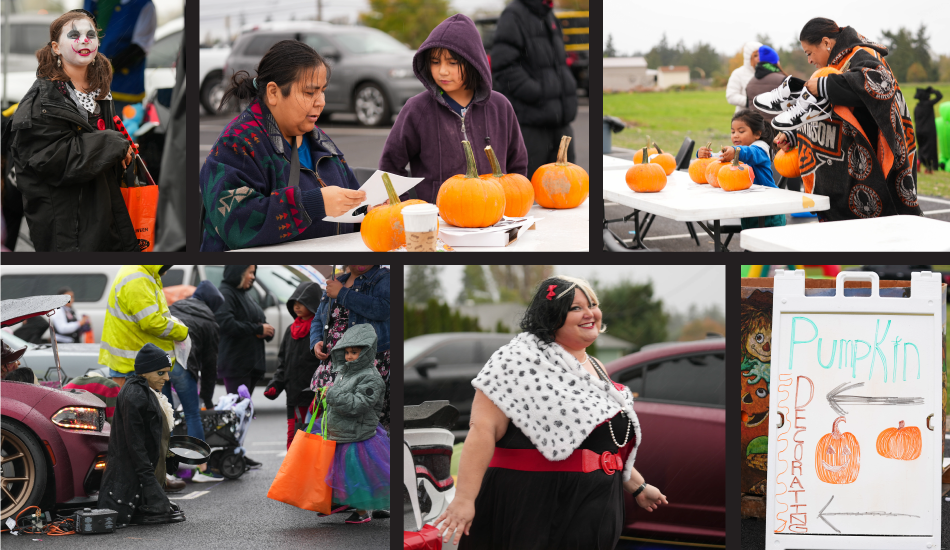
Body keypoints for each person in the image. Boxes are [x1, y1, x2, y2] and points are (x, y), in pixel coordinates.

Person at [436, 276, 668, 548]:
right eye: (576, 308)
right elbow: (482, 431)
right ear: (551, 316)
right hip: (533, 506)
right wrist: (464, 500)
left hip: (595, 508)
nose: (590, 313)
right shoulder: (514, 360)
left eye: (593, 304)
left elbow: (602, 445)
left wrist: (637, 486)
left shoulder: (596, 367)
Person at [199, 40, 366, 251]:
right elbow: (236, 222)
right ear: (273, 93)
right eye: (309, 93)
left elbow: (353, 199)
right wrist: (312, 203)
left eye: (322, 91)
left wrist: (371, 211)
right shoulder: (236, 145)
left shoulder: (319, 140)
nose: (320, 101)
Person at [754, 18, 922, 220]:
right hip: (842, 171)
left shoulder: (863, 54)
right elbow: (825, 114)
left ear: (826, 43)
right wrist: (794, 135)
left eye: (809, 53)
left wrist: (826, 86)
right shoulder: (834, 65)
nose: (809, 60)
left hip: (870, 163)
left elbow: (879, 86)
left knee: (874, 235)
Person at [9, 9, 138, 252]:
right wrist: (112, 143)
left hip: (105, 213)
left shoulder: (101, 91)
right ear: (56, 48)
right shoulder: (41, 102)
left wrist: (123, 151)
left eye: (91, 34)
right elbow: (50, 159)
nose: (84, 40)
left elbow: (102, 147)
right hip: (68, 229)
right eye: (74, 35)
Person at [378, 14, 527, 204]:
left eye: (452, 62)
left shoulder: (500, 106)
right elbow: (390, 166)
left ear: (473, 62)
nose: (442, 71)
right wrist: (406, 210)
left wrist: (513, 206)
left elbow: (518, 165)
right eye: (435, 62)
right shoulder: (416, 109)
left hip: (497, 218)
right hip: (440, 221)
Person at [98, 343, 187, 524]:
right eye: (160, 373)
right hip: (130, 486)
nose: (167, 378)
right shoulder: (136, 395)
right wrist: (150, 484)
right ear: (144, 372)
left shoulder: (143, 390)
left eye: (167, 372)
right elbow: (135, 444)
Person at [491, 0, 577, 178]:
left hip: (561, 124)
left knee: (567, 191)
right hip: (531, 125)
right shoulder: (514, 15)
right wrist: (539, 93)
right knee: (530, 194)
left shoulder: (548, 14)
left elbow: (558, 64)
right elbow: (504, 67)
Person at [318, 324, 389, 524]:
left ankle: (362, 510)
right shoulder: (345, 373)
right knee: (342, 473)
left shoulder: (371, 378)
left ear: (366, 352)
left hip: (359, 436)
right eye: (347, 352)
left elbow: (358, 405)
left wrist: (332, 394)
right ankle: (341, 502)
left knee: (359, 477)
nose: (349, 356)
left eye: (355, 352)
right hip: (343, 433)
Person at [310, 266, 390, 430]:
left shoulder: (384, 278)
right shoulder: (336, 282)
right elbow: (319, 318)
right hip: (333, 364)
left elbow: (383, 309)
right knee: (329, 419)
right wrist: (317, 341)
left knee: (361, 419)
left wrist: (342, 294)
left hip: (365, 363)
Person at [99, 265, 189, 388]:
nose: (167, 271)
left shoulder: (137, 272)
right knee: (144, 405)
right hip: (138, 365)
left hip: (136, 362)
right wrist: (182, 332)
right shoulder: (138, 278)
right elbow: (151, 322)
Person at [696, 110, 787, 229]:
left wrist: (735, 152)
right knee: (751, 242)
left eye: (741, 131)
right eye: (732, 132)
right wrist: (704, 155)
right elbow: (720, 157)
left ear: (757, 134)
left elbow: (750, 153)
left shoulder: (761, 149)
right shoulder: (739, 151)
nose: (735, 135)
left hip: (769, 210)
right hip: (749, 208)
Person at [264, 281, 323, 450]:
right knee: (294, 434)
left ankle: (311, 469)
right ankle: (293, 469)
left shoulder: (319, 331)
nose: (297, 306)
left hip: (314, 395)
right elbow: (283, 362)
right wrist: (276, 383)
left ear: (313, 304)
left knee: (313, 434)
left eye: (302, 303)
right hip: (294, 394)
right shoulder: (291, 330)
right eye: (294, 303)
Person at [84, 0, 157, 112]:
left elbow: (140, 48)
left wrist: (107, 67)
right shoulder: (94, 2)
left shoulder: (142, 5)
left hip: (123, 91)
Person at [746, 46, 787, 123]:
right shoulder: (782, 80)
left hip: (756, 128)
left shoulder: (750, 83)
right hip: (778, 129)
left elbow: (747, 107)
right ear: (775, 62)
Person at [726, 41, 762, 113]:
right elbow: (731, 96)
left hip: (764, 118)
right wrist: (752, 102)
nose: (759, 58)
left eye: (761, 55)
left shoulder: (768, 73)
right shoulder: (738, 73)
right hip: (744, 117)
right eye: (755, 55)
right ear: (748, 58)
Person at [914, 87, 943, 174]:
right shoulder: (929, 104)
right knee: (930, 149)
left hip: (919, 131)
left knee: (921, 147)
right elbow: (940, 96)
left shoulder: (917, 107)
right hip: (929, 131)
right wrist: (933, 91)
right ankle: (928, 168)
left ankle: (918, 162)